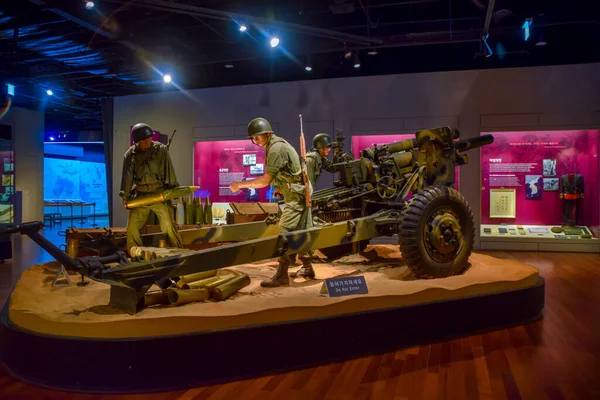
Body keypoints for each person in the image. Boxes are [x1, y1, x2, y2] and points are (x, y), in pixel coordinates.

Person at [229, 117, 315, 286]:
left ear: (267, 134)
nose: (255, 141)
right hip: (295, 191)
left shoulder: (275, 149)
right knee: (300, 229)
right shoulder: (275, 145)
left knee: (285, 230)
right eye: (253, 138)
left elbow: (265, 181)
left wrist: (240, 184)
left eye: (257, 137)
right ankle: (308, 266)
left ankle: (282, 276)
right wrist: (281, 188)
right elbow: (289, 172)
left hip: (297, 195)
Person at [119, 122, 183, 253]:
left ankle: (177, 253)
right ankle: (136, 255)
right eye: (144, 139)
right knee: (131, 228)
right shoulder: (130, 155)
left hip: (158, 194)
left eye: (149, 138)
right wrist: (125, 196)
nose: (148, 141)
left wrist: (173, 190)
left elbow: (169, 171)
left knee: (169, 226)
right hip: (141, 196)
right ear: (137, 141)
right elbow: (127, 178)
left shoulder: (160, 150)